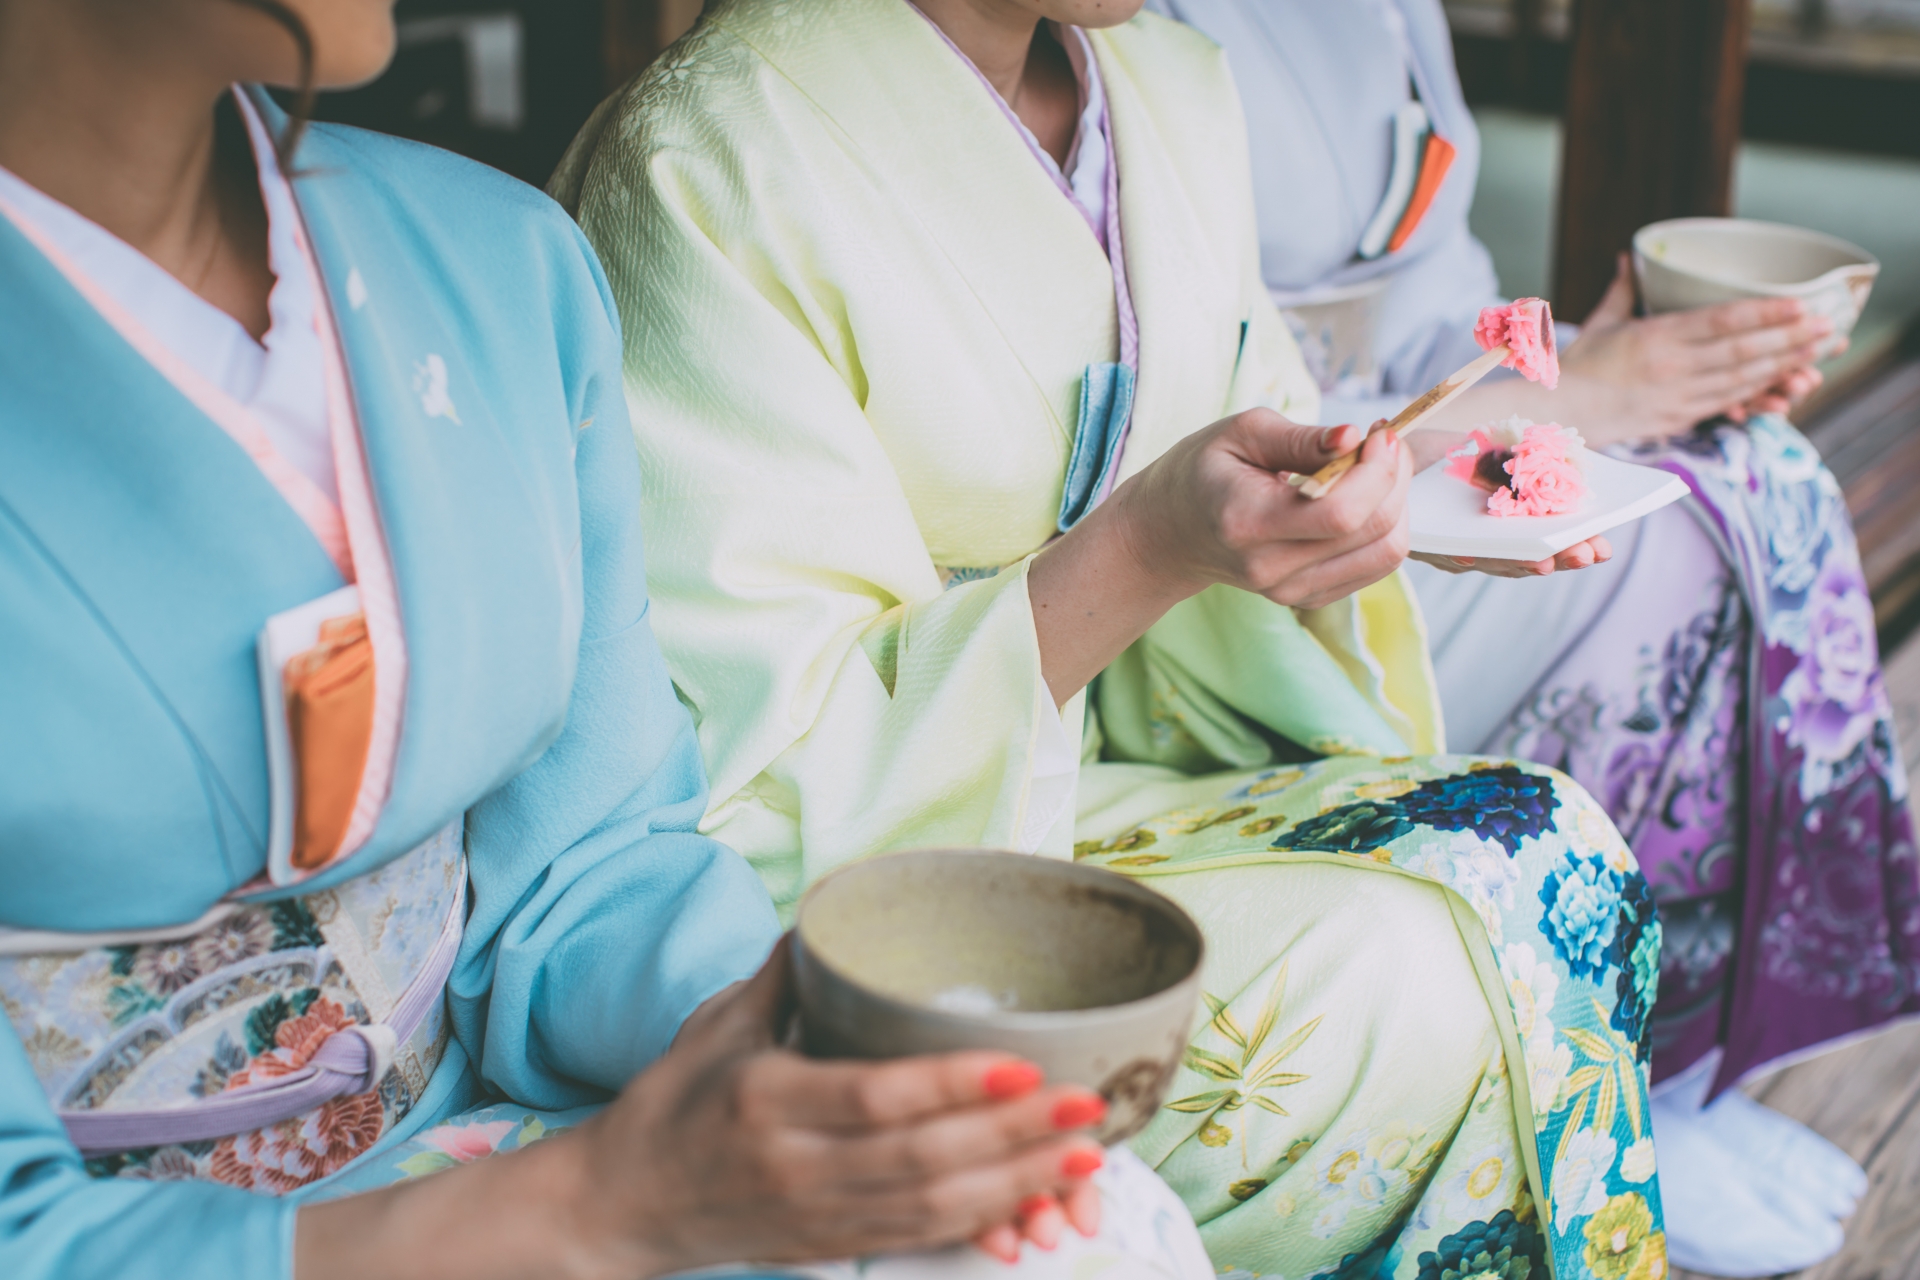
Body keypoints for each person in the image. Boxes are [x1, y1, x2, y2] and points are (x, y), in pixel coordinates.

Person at [0, 2, 1195, 1276]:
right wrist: (597, 1205)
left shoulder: (493, 262)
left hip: (495, 1136)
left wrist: (789, 1049)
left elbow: (591, 861)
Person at [552, 1, 1672, 1277]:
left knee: (1542, 840)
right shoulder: (705, 155)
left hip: (1115, 766)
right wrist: (1146, 548)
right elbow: (746, 773)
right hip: (861, 878)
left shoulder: (1167, 82)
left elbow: (1254, 436)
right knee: (1417, 973)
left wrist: (1374, 493)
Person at [1140, 0, 1920, 1274]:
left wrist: (1601, 361)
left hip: (1416, 434)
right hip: (1262, 553)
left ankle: (1669, 1056)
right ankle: (1583, 1064)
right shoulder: (1136, 41)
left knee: (1753, 466)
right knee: (1678, 542)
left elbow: (1439, 311)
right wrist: (1587, 396)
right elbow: (1201, 406)